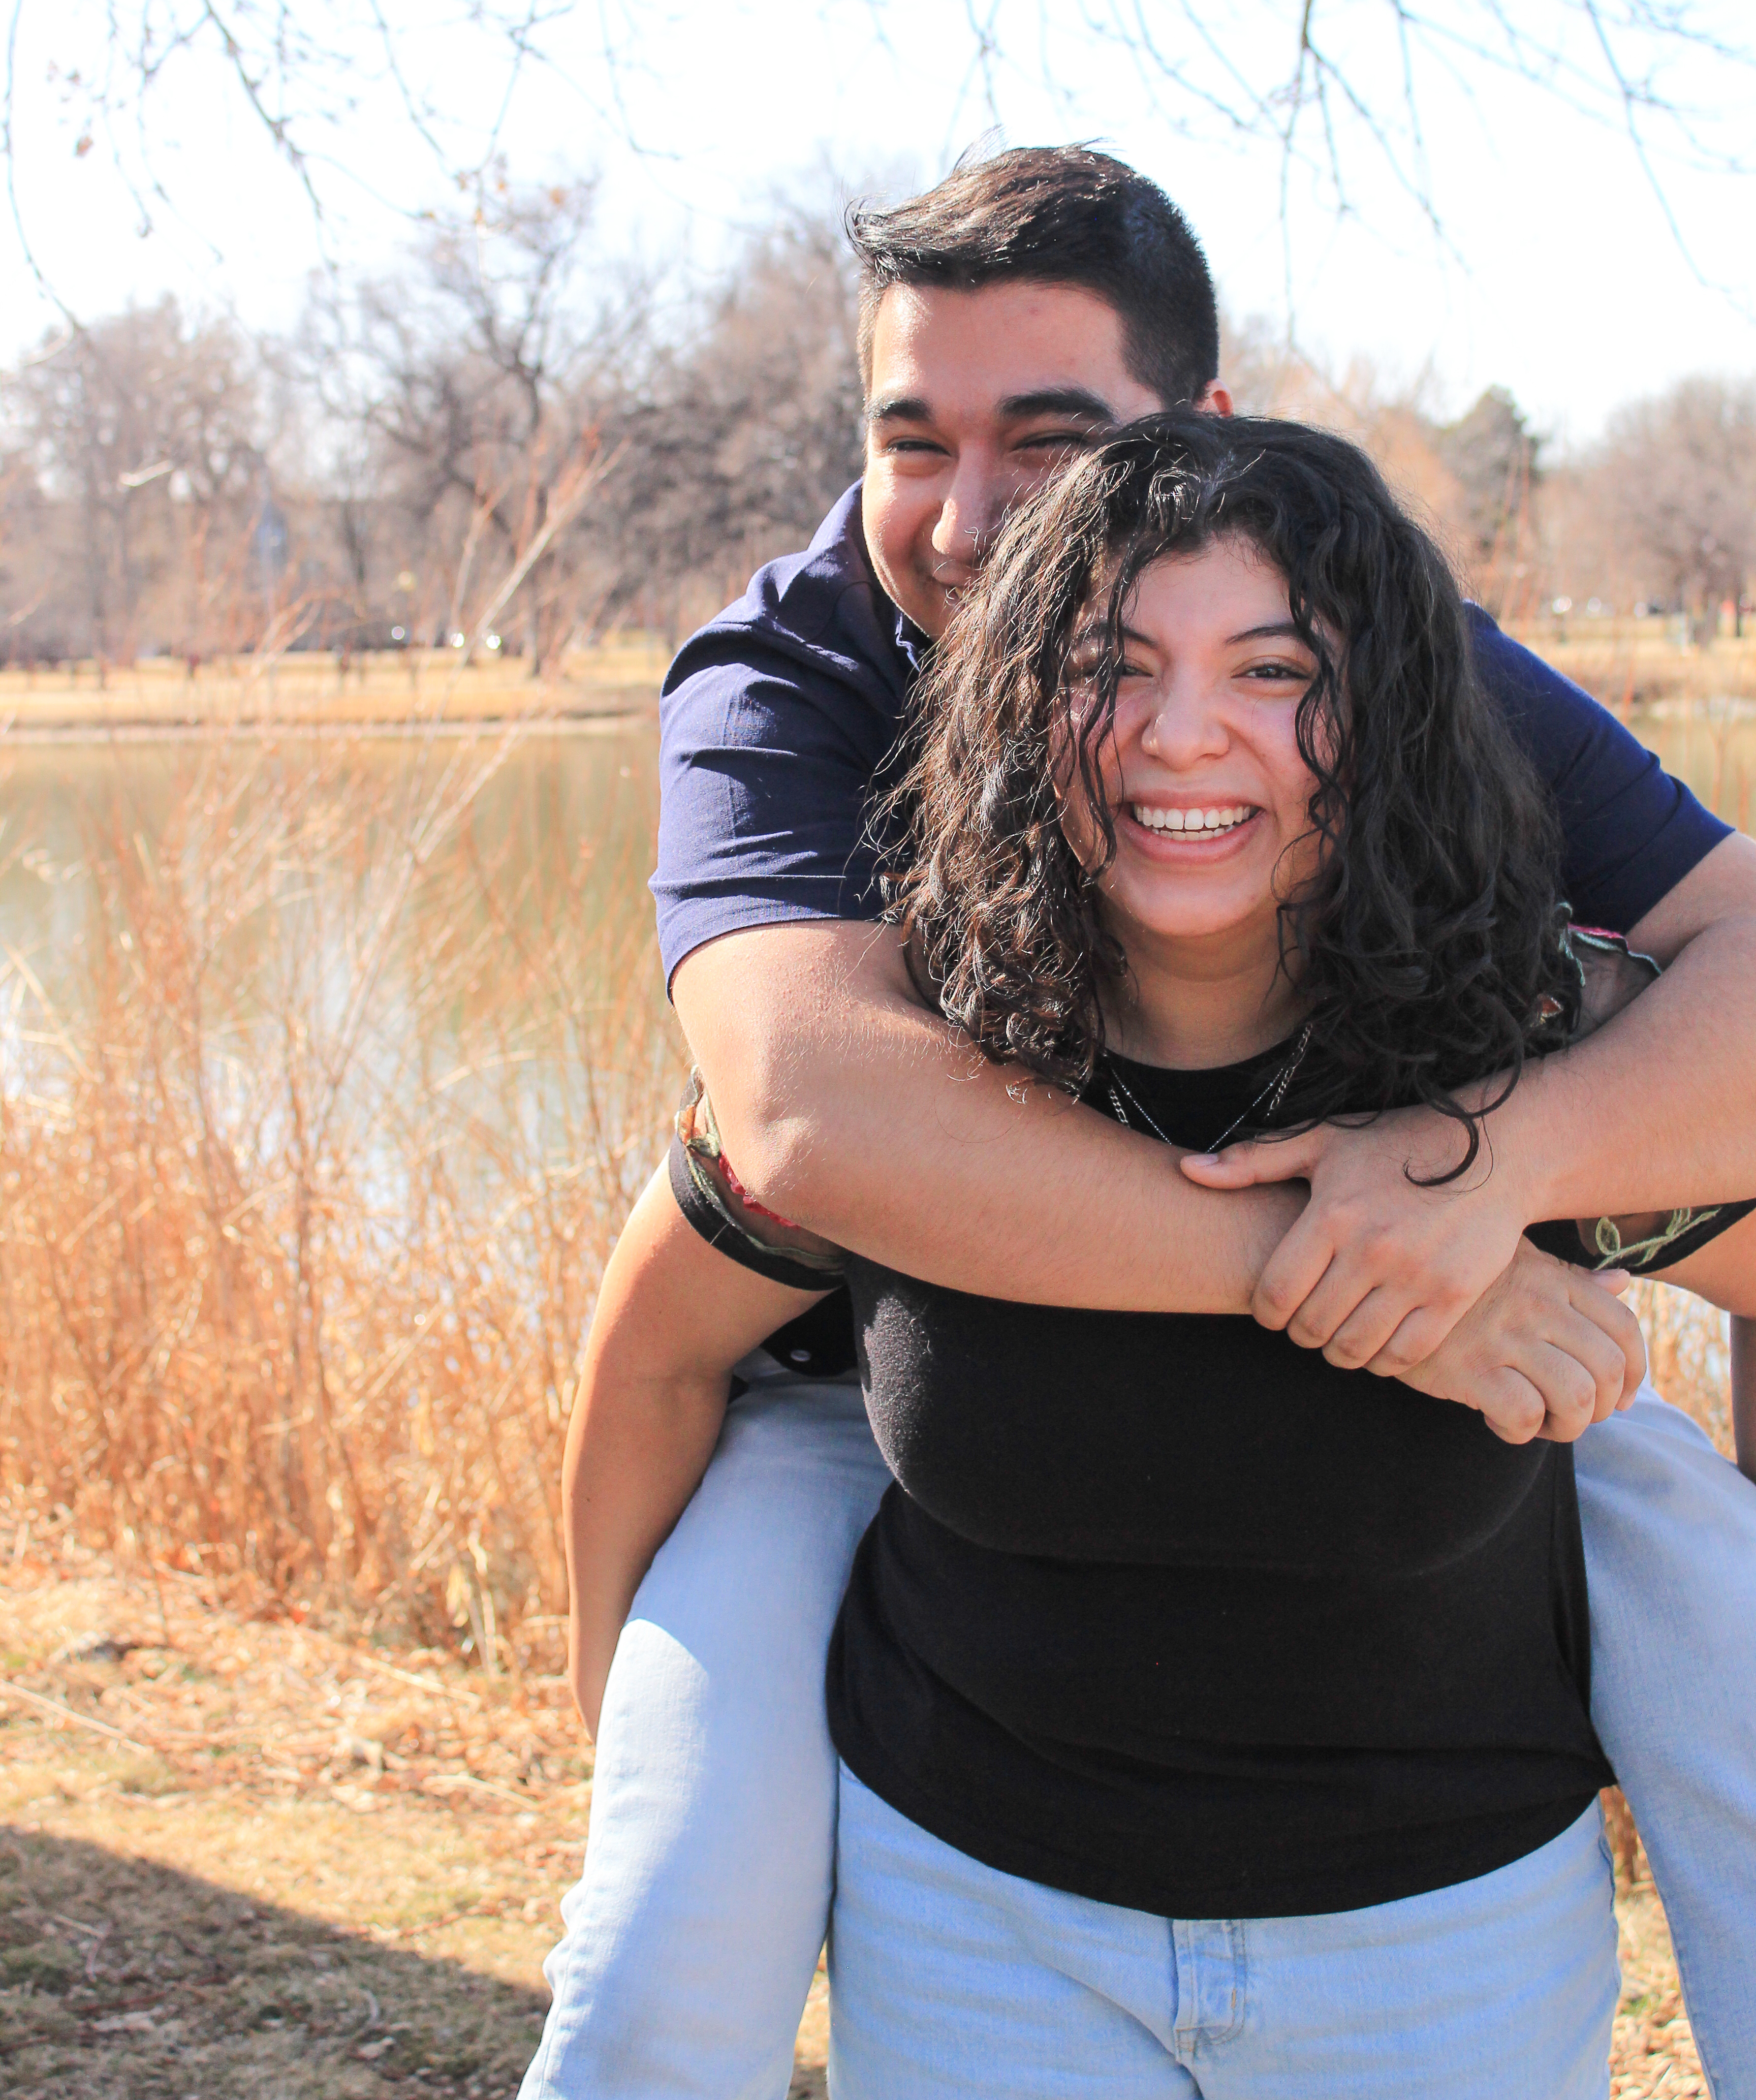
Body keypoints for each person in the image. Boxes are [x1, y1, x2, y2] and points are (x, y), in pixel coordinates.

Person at [519, 148, 1756, 2100]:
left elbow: (1732, 973)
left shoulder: (1347, 636)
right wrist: (1370, 1270)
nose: (978, 513)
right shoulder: (792, 675)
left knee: (1699, 1604)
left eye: (1055, 437)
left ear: (1199, 440)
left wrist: (1496, 1172)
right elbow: (802, 1119)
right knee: (665, 1944)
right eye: (912, 438)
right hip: (877, 1366)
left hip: (1420, 1328)